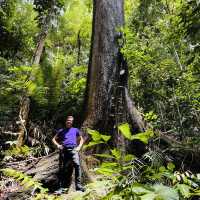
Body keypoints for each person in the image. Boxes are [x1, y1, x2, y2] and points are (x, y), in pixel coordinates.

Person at [52, 116, 85, 193]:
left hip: (73, 150)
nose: (69, 122)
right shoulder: (61, 130)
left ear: (72, 122)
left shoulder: (75, 130)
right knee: (63, 169)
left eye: (70, 121)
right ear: (66, 121)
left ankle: (78, 186)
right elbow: (53, 139)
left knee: (77, 165)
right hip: (64, 150)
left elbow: (81, 139)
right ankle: (61, 187)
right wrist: (58, 145)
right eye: (68, 120)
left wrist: (79, 147)